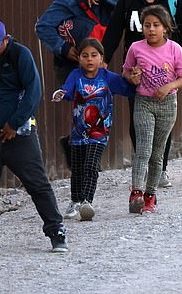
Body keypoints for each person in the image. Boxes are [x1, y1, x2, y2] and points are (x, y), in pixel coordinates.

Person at [0, 18, 68, 256]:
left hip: (19, 132)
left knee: (37, 183)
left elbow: (34, 92)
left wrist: (13, 124)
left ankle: (56, 231)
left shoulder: (20, 54)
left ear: (6, 40)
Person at [102, 0, 182, 188]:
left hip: (165, 74)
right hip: (137, 75)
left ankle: (160, 168)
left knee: (163, 123)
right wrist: (104, 59)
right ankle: (143, 166)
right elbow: (113, 32)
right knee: (138, 123)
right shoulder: (128, 0)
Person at [36, 0, 121, 169]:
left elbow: (126, 1)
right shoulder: (69, 0)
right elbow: (43, 26)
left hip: (98, 62)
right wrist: (64, 49)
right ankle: (84, 156)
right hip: (70, 64)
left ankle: (80, 152)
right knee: (85, 102)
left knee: (96, 107)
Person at [52, 38, 133, 221]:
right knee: (78, 168)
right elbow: (67, 90)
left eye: (94, 55)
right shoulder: (75, 75)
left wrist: (136, 80)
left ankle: (87, 202)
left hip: (99, 132)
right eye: (85, 55)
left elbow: (127, 88)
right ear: (79, 58)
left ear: (101, 58)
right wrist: (60, 94)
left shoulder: (107, 77)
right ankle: (75, 200)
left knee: (90, 166)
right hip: (78, 132)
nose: (89, 59)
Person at [122, 5, 182, 213]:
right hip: (143, 102)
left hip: (167, 105)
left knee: (157, 153)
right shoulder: (136, 48)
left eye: (156, 25)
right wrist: (132, 77)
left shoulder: (174, 49)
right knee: (143, 148)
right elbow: (126, 71)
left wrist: (169, 86)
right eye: (146, 25)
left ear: (165, 28)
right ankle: (136, 192)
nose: (151, 29)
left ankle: (150, 195)